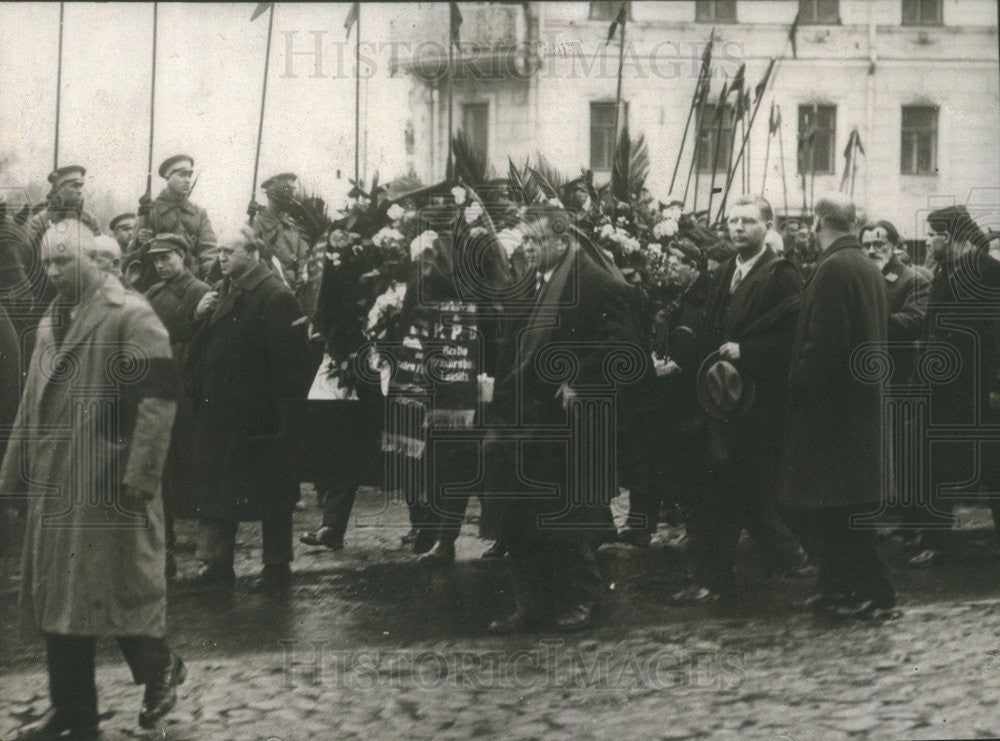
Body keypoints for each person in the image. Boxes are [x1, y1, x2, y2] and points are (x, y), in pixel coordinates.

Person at [0, 220, 184, 738]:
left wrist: (139, 477)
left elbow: (158, 400)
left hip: (110, 486)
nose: (54, 272)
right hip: (57, 486)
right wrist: (12, 474)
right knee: (60, 601)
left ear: (92, 259)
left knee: (120, 599)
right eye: (47, 263)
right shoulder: (48, 323)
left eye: (64, 261)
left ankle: (160, 670)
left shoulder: (131, 315)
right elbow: (31, 406)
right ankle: (74, 713)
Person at [487, 208, 645, 633]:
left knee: (563, 518)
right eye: (526, 242)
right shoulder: (538, 279)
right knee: (520, 517)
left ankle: (580, 599)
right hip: (523, 417)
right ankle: (530, 604)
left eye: (536, 242)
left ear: (561, 242)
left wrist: (578, 377)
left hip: (564, 421)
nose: (528, 249)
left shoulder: (596, 283)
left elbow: (624, 348)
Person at [672, 195, 806, 605]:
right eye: (732, 221)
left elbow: (794, 339)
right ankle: (787, 558)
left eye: (747, 221)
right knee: (737, 492)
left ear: (768, 226)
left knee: (734, 491)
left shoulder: (781, 275)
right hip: (722, 400)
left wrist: (750, 353)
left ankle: (717, 578)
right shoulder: (729, 269)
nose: (737, 228)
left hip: (758, 404)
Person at [779, 193, 896, 619]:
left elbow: (825, 344)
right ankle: (839, 586)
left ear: (816, 223)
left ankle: (876, 593)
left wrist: (795, 386)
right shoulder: (863, 265)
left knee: (840, 508)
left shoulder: (833, 268)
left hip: (833, 411)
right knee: (841, 507)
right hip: (857, 407)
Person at [183, 226, 310, 595]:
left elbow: (291, 366)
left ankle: (276, 563)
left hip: (257, 418)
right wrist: (199, 314)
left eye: (229, 251)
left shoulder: (274, 295)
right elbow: (205, 345)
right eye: (219, 251)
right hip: (220, 414)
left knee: (271, 494)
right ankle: (216, 562)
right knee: (219, 492)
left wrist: (276, 416)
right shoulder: (224, 290)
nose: (220, 258)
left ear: (253, 252)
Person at [906, 206, 1000, 568]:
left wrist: (996, 386)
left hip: (980, 392)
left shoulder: (989, 273)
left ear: (951, 237)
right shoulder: (946, 271)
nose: (930, 242)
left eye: (933, 235)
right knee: (937, 466)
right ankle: (935, 542)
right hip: (945, 390)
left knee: (993, 469)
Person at [145, 234, 211, 578]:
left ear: (183, 256)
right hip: (158, 386)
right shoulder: (153, 294)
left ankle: (207, 553)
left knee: (191, 469)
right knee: (162, 472)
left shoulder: (200, 291)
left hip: (188, 391)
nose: (160, 265)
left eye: (167, 258)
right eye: (156, 260)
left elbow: (202, 340)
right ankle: (164, 548)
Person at [126, 155, 217, 289]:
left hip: (194, 283)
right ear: (167, 176)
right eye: (182, 175)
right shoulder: (150, 211)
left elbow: (208, 250)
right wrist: (140, 243)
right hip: (158, 285)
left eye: (189, 176)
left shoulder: (199, 213)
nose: (187, 180)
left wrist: (210, 278)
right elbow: (132, 256)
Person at [860, 220, 929, 385]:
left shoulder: (913, 279)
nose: (871, 251)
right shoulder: (860, 279)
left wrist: (868, 321)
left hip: (897, 370)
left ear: (893, 245)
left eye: (878, 244)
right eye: (866, 245)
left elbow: (915, 321)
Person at [23, 165, 101, 311]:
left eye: (81, 186)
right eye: (74, 186)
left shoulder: (89, 220)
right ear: (59, 188)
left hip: (85, 293)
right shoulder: (40, 220)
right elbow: (28, 260)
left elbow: (99, 255)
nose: (79, 191)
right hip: (48, 294)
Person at [252, 173, 311, 301]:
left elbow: (303, 257)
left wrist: (301, 284)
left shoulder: (293, 224)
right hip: (269, 291)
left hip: (296, 290)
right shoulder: (256, 224)